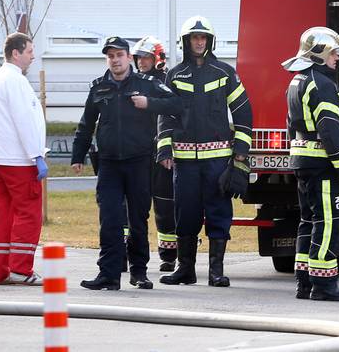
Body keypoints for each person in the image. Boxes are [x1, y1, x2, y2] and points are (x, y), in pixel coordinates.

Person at [71, 36, 181, 291]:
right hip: (109, 164)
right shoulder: (99, 87)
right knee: (109, 218)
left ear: (128, 58)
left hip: (139, 162)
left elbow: (176, 104)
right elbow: (86, 125)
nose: (115, 60)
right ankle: (108, 275)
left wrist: (149, 104)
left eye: (119, 55)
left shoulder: (147, 84)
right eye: (110, 56)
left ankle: (139, 273)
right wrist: (78, 156)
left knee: (138, 218)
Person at [156, 15, 253, 287]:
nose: (198, 42)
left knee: (218, 214)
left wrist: (241, 152)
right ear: (186, 42)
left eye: (203, 38)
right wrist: (164, 149)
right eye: (194, 38)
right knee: (185, 215)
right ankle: (185, 270)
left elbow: (243, 111)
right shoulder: (174, 75)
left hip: (218, 162)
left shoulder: (224, 73)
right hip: (184, 163)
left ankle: (216, 272)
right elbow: (165, 115)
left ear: (210, 41)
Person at [282, 27, 339, 301]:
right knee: (331, 223)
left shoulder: (297, 80)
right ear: (321, 53)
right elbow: (329, 128)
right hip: (324, 165)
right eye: (334, 52)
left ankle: (304, 282)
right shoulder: (322, 84)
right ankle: (324, 285)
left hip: (304, 161)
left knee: (309, 221)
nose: (337, 57)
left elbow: (291, 125)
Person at [0, 32, 47, 285]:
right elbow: (24, 120)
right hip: (18, 160)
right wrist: (36, 155)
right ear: (16, 53)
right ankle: (21, 267)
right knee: (28, 212)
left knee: (1, 212)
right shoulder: (15, 81)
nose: (33, 56)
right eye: (29, 51)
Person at [131, 36, 178, 272]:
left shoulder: (166, 84)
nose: (142, 62)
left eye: (146, 58)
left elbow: (173, 114)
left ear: (157, 59)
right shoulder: (131, 82)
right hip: (137, 153)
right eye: (139, 58)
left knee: (165, 205)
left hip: (160, 153)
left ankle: (168, 255)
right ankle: (129, 253)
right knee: (134, 206)